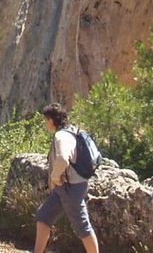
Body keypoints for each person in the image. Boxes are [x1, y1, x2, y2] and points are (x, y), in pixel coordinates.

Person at [34, 103, 99, 253]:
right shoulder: (72, 131)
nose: (45, 124)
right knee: (43, 216)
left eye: (46, 120)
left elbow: (63, 159)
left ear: (51, 120)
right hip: (67, 187)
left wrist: (55, 177)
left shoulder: (61, 135)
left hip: (70, 187)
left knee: (82, 226)